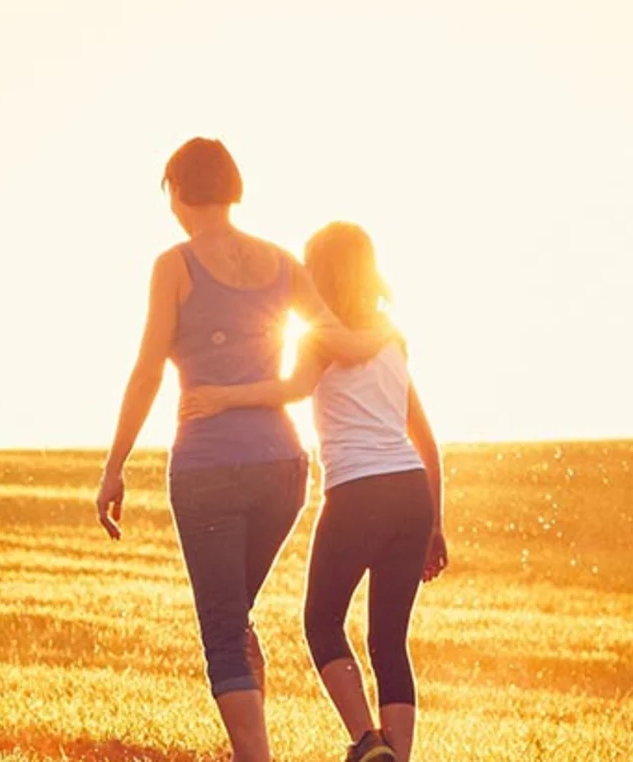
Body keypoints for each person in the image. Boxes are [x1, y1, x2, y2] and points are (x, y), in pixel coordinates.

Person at [94, 138, 396, 762]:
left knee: (225, 629)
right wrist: (382, 333)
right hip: (285, 470)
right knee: (238, 614)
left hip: (209, 467)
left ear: (178, 192)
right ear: (231, 187)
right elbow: (341, 341)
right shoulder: (283, 262)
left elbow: (148, 369)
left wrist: (113, 467)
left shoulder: (173, 266)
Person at [181, 222, 447, 762]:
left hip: (357, 493)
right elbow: (425, 439)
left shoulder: (322, 337)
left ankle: (368, 741)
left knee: (322, 621)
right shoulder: (392, 338)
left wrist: (223, 398)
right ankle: (395, 756)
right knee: (389, 641)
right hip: (411, 491)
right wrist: (435, 522)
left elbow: (292, 389)